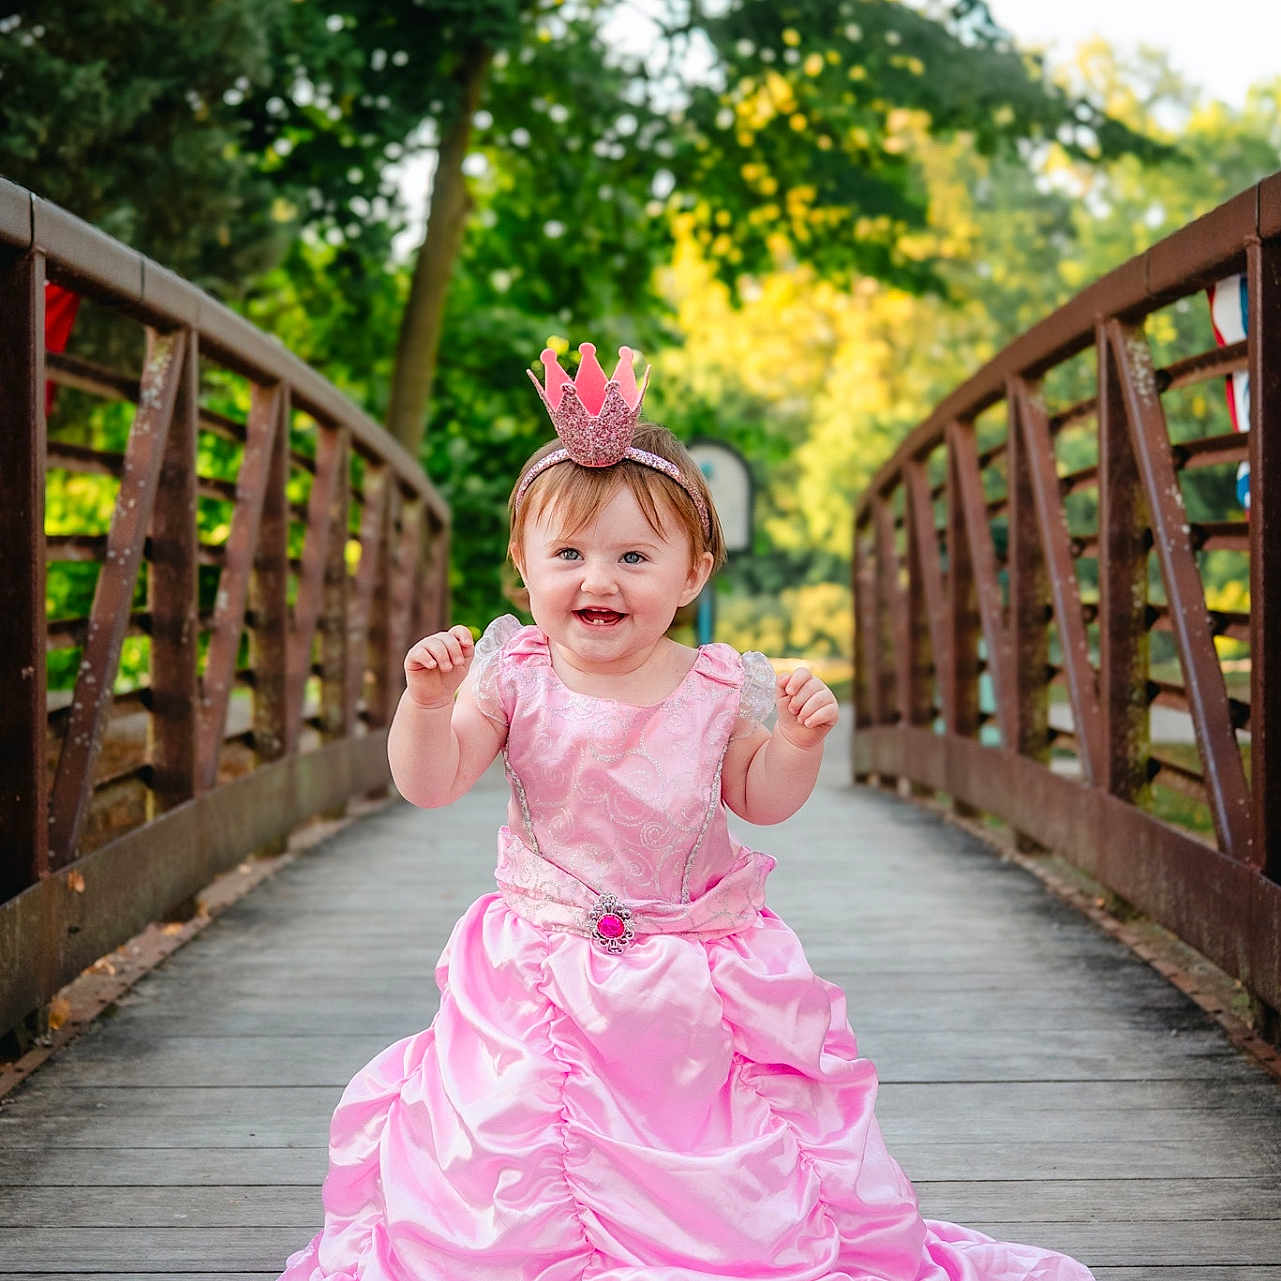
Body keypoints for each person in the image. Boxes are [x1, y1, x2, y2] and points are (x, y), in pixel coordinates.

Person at [277, 343, 1096, 1281]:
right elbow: (431, 781)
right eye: (569, 555)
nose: (599, 580)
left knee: (724, 1141)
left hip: (693, 972)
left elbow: (760, 800)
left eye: (634, 556)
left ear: (692, 574)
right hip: (540, 970)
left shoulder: (716, 684)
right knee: (528, 1140)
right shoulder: (512, 675)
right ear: (523, 567)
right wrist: (426, 706)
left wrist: (793, 743)